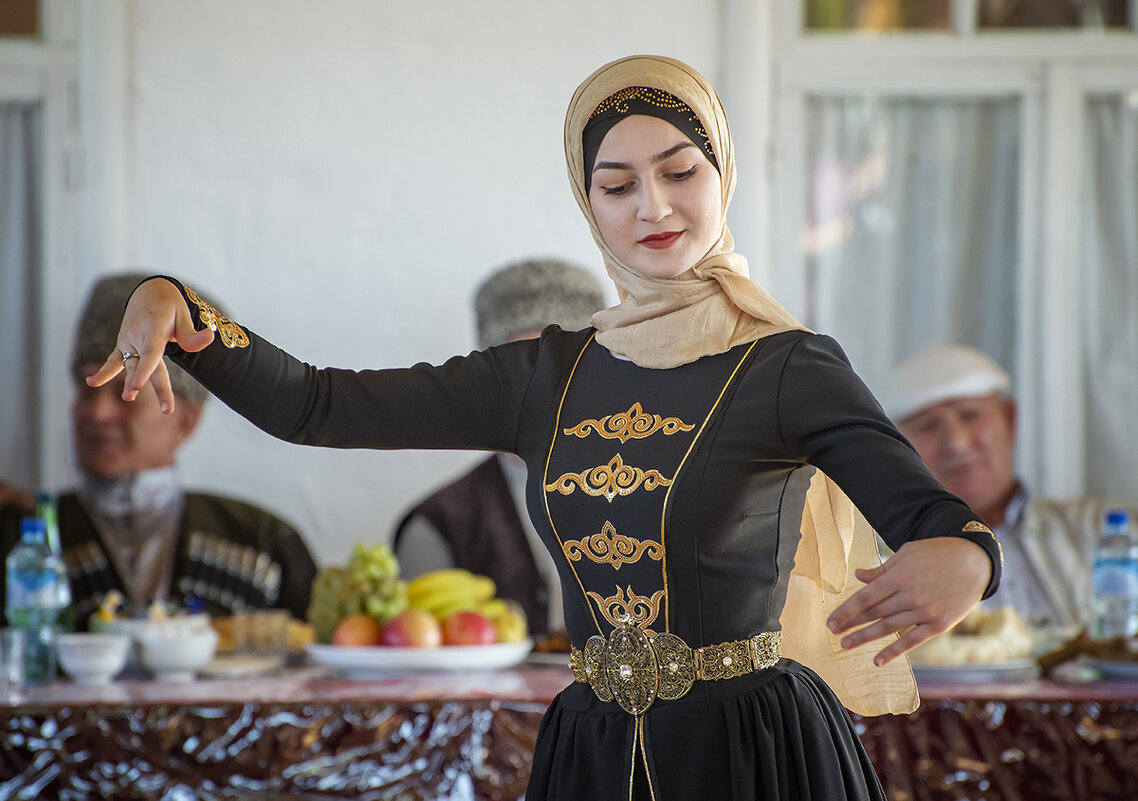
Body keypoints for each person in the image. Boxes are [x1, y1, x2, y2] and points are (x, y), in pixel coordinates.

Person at [88, 57, 999, 801]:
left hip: (752, 753)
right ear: (588, 204)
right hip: (593, 749)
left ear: (722, 177)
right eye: (617, 185)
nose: (653, 207)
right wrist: (181, 310)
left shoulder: (787, 364)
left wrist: (967, 557)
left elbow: (929, 514)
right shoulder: (546, 373)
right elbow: (318, 404)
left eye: (682, 171)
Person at [0, 273, 318, 628]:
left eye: (126, 391)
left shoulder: (264, 542)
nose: (97, 413)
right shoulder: (20, 536)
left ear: (186, 422)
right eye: (87, 390)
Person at [393, 258, 606, 637]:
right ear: (487, 381)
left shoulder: (657, 489)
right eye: (517, 367)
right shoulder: (438, 526)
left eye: (564, 364)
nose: (542, 384)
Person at [884, 342, 1134, 630]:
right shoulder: (887, 565)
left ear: (1010, 420)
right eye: (928, 426)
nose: (957, 444)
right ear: (899, 450)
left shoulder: (1103, 532)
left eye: (971, 415)